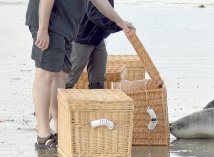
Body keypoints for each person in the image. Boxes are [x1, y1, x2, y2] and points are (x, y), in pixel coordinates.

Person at [25, 0, 134, 149]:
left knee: (62, 75)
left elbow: (99, 1)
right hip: (49, 22)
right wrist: (43, 28)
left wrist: (120, 22)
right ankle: (43, 134)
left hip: (67, 27)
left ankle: (59, 128)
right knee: (46, 74)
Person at [65, 0, 122, 89]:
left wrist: (119, 24)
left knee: (98, 78)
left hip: (98, 38)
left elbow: (109, 13)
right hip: (83, 38)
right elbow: (94, 14)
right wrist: (119, 25)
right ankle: (55, 100)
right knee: (72, 75)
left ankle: (95, 100)